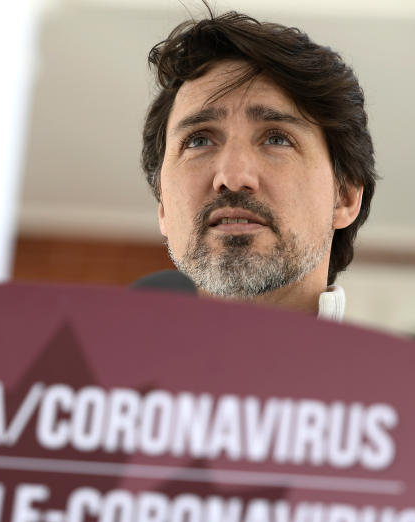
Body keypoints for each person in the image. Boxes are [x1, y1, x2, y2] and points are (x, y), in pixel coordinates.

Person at [140, 9, 377, 320]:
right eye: (198, 141)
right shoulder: (83, 366)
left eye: (276, 139)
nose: (233, 177)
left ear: (344, 196)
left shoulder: (407, 370)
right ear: (163, 207)